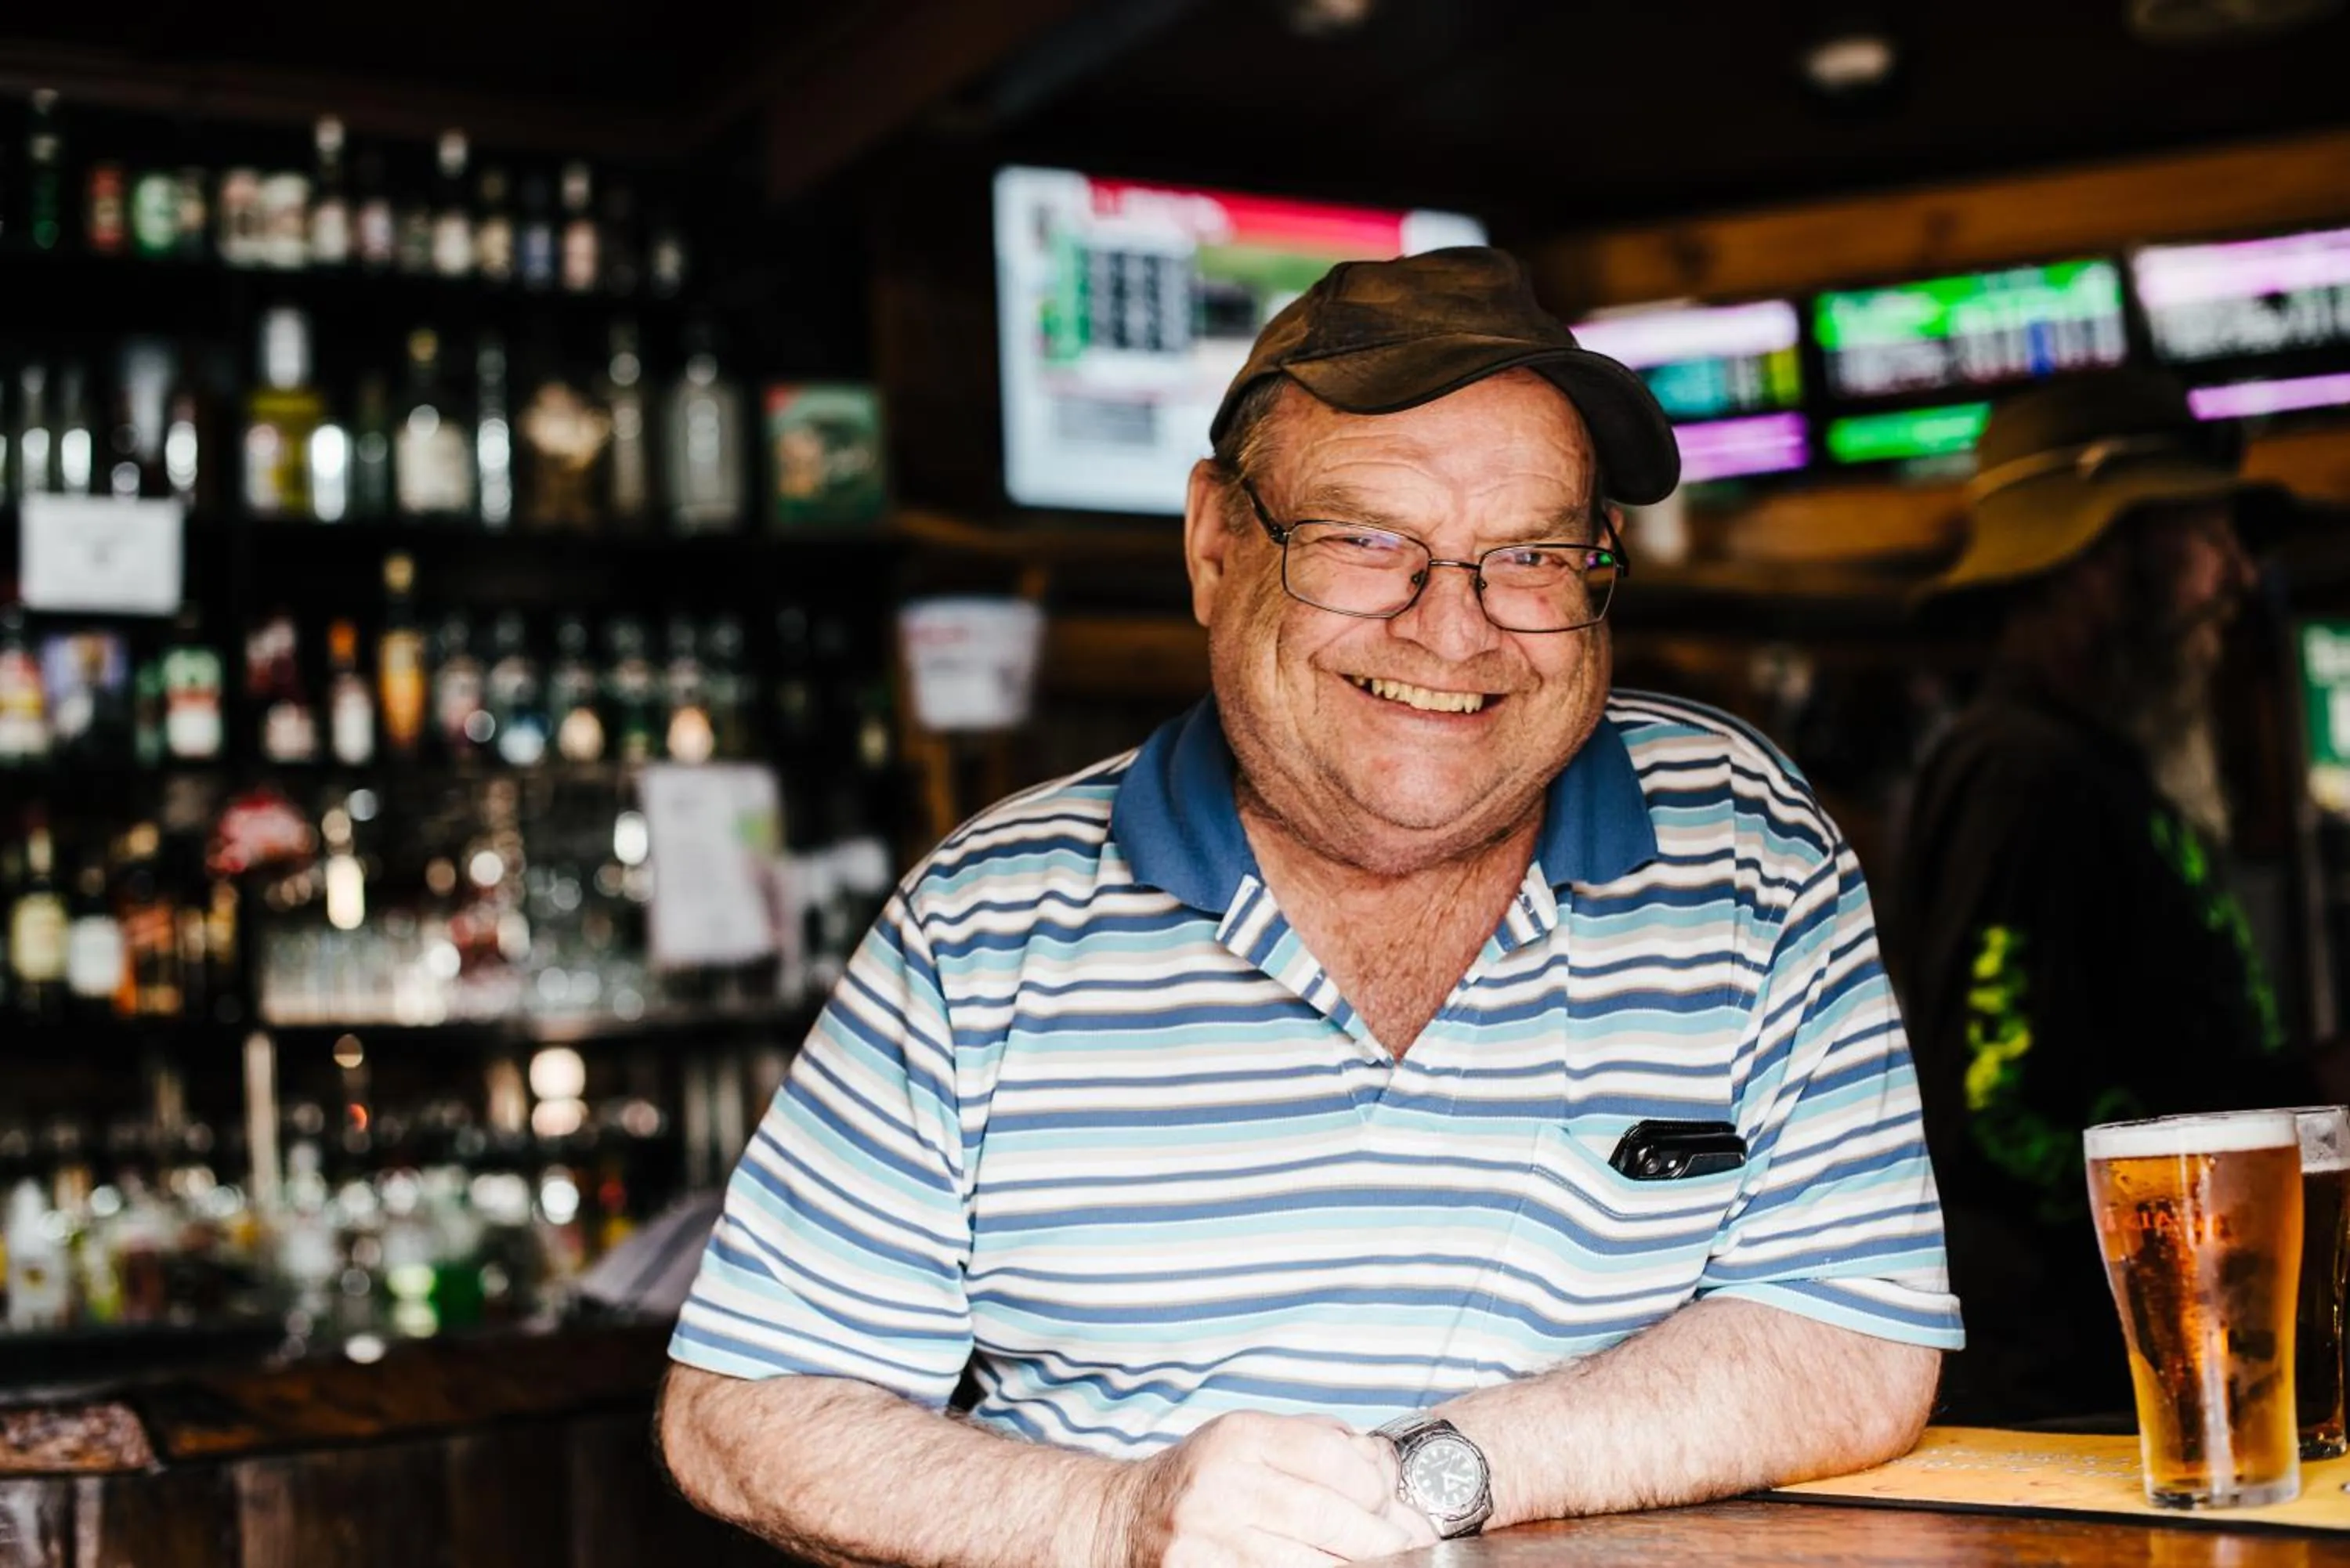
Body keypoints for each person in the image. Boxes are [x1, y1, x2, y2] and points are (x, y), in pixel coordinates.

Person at [660, 247, 1960, 1566]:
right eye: (1367, 541)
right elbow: (745, 1407)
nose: (1452, 631)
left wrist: (1434, 1477)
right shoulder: (985, 919)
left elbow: (1857, 1328)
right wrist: (1116, 1518)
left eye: (1529, 554)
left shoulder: (1743, 841)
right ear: (1217, 546)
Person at [1893, 370, 2317, 1425]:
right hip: (2073, 1395)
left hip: (2149, 1371)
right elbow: (1993, 1112)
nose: (2234, 575)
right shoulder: (2021, 771)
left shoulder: (2090, 763)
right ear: (2102, 556)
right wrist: (2233, 1155)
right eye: (2207, 535)